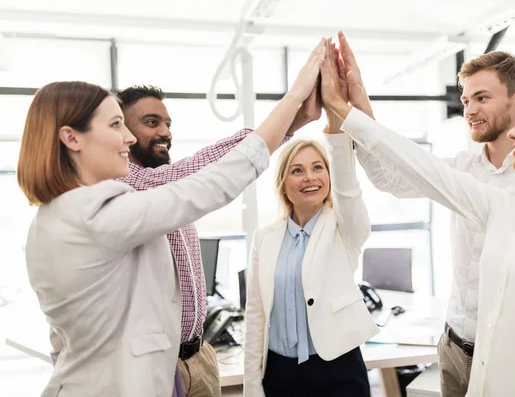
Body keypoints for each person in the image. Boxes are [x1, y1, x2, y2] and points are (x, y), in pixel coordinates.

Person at [17, 40, 325, 397]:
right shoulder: (94, 213)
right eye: (116, 124)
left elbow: (64, 339)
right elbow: (209, 185)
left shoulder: (55, 217)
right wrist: (292, 102)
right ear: (71, 138)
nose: (128, 138)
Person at [320, 35, 515, 397]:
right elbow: (414, 166)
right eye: (466, 99)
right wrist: (353, 110)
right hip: (467, 351)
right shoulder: (507, 205)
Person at [113, 76, 319, 396]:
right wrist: (289, 115)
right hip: (157, 367)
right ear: (122, 132)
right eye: (151, 122)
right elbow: (205, 166)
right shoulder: (126, 189)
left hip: (198, 355)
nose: (165, 132)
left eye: (167, 123)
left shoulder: (171, 190)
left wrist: (294, 121)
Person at [243, 40, 379, 397]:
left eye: (318, 168)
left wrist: (336, 117)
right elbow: (256, 315)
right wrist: (252, 385)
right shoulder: (266, 238)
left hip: (337, 368)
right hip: (280, 373)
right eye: (298, 171)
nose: (310, 178)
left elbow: (349, 188)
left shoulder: (345, 225)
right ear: (284, 184)